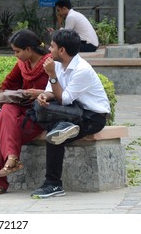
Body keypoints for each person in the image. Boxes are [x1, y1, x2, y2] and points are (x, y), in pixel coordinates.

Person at [30, 29, 110, 199]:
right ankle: (66, 127)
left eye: (52, 46)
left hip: (92, 117)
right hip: (72, 112)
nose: (49, 50)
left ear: (62, 50)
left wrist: (51, 75)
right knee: (38, 109)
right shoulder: (58, 64)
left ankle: (53, 184)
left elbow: (64, 99)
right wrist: (44, 97)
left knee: (55, 134)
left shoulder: (82, 70)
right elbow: (51, 92)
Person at [0, 29, 52, 195]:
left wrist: (39, 93)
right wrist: (6, 97)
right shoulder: (22, 64)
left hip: (40, 111)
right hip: (21, 107)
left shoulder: (49, 64)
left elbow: (60, 89)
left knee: (4, 130)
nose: (15, 55)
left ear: (29, 50)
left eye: (17, 51)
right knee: (6, 111)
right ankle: (11, 158)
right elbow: (7, 83)